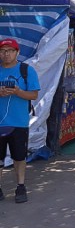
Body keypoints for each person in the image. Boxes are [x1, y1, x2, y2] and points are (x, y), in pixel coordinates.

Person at [0, 38, 40, 203]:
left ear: (17, 53)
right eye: (3, 51)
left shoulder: (26, 70)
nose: (6, 54)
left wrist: (17, 92)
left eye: (10, 51)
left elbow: (34, 95)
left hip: (19, 122)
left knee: (19, 157)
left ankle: (20, 186)